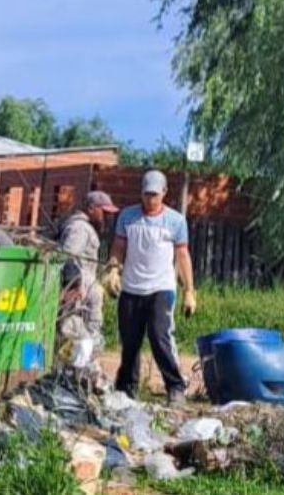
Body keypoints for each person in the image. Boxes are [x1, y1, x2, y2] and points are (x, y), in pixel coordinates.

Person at [111, 169, 196, 403]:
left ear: (164, 193)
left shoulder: (176, 221)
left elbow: (183, 256)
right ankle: (127, 390)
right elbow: (119, 247)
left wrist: (189, 290)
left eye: (155, 195)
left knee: (160, 338)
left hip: (161, 287)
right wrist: (113, 269)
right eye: (146, 194)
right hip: (131, 287)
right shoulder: (127, 217)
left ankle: (176, 387)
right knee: (130, 342)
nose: (150, 200)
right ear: (141, 193)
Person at [57, 189, 118, 353]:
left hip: (85, 300)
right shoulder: (80, 228)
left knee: (84, 340)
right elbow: (67, 257)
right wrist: (76, 284)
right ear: (91, 208)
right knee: (77, 337)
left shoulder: (84, 227)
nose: (107, 217)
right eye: (104, 212)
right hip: (77, 299)